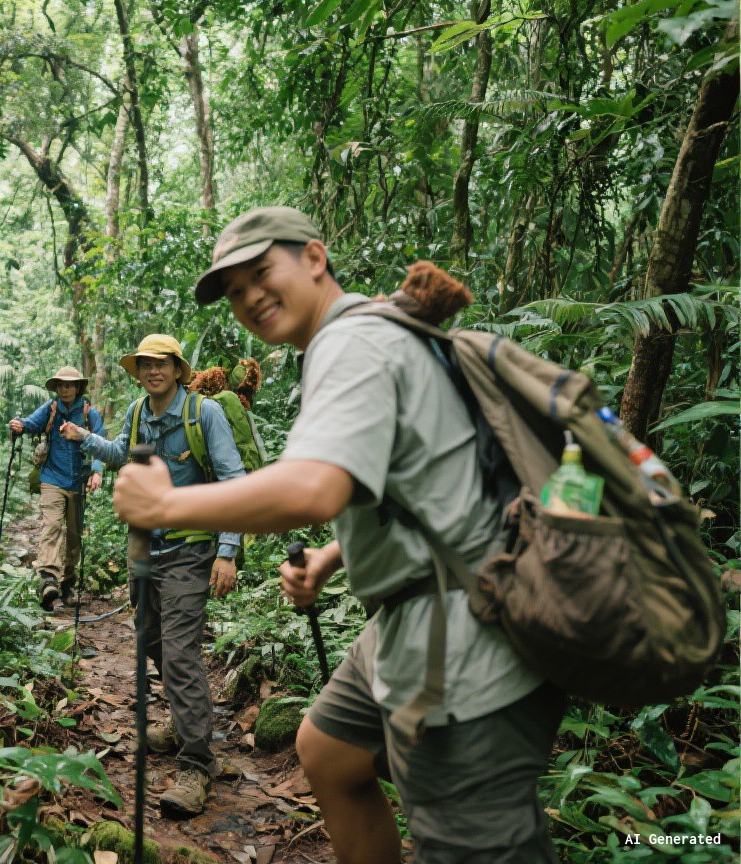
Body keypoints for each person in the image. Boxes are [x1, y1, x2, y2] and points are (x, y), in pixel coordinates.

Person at [111, 207, 565, 863]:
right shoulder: (365, 336)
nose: (250, 298)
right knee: (329, 750)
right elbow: (416, 482)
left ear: (315, 259)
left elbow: (313, 488)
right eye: (234, 291)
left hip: (468, 633)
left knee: (477, 845)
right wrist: (331, 555)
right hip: (419, 611)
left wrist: (165, 505)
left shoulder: (350, 342)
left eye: (262, 273)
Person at [60, 334, 246, 820]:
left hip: (190, 547)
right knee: (150, 639)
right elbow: (125, 454)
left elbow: (234, 480)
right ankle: (189, 724)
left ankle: (197, 764)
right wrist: (86, 441)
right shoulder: (139, 411)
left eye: (161, 363)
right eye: (144, 364)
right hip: (144, 543)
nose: (152, 371)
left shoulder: (205, 415)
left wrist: (228, 551)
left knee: (181, 650)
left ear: (178, 368)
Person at [9, 366, 104, 612]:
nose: (65, 389)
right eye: (61, 385)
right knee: (52, 525)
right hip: (51, 478)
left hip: (78, 482)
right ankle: (49, 579)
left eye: (70, 385)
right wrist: (19, 425)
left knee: (74, 536)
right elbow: (31, 423)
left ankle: (68, 584)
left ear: (77, 388)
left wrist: (97, 471)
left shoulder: (89, 414)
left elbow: (101, 443)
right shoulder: (51, 409)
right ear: (57, 388)